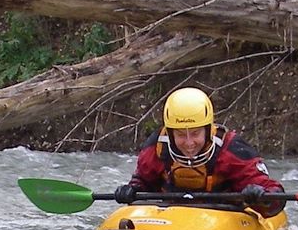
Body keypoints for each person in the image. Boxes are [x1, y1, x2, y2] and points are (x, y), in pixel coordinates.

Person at [113, 87, 286, 215]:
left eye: (195, 133)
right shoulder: (157, 147)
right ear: (170, 132)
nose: (189, 143)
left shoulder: (232, 149)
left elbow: (274, 197)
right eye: (181, 135)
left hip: (223, 213)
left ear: (207, 129)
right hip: (171, 215)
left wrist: (260, 195)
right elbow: (143, 182)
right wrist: (131, 191)